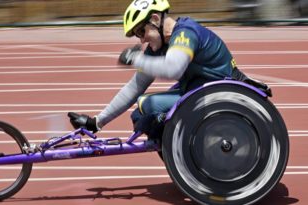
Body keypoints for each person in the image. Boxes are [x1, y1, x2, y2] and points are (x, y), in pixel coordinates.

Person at [68, 0, 271, 140]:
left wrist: (136, 58)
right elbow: (134, 87)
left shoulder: (185, 33)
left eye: (141, 31)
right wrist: (97, 122)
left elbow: (173, 68)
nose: (141, 40)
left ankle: (189, 157)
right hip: (200, 89)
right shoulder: (160, 46)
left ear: (155, 19)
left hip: (223, 93)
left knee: (148, 108)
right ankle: (183, 158)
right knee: (140, 114)